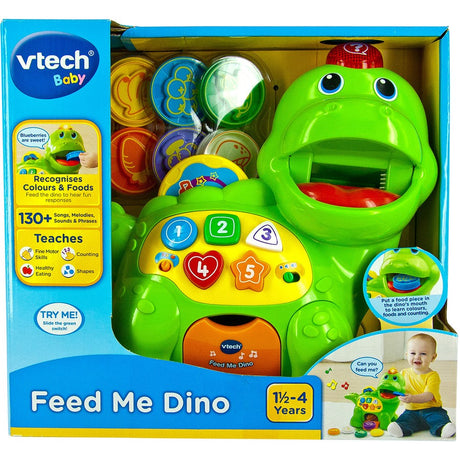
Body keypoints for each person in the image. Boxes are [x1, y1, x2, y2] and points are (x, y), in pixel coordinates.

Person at [387, 333, 456, 438]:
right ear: (407, 355)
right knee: (405, 419)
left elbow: (428, 395)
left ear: (433, 357)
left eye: (423, 354)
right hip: (411, 411)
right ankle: (400, 429)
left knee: (439, 418)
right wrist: (390, 392)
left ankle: (443, 428)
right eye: (413, 353)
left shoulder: (433, 376)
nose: (417, 357)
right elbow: (396, 388)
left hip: (432, 409)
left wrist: (412, 398)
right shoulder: (403, 373)